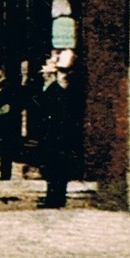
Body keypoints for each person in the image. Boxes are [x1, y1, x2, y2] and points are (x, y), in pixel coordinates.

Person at [33, 59, 83, 208]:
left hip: (55, 138)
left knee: (55, 169)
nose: (44, 77)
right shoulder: (53, 90)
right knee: (53, 169)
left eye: (47, 74)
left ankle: (55, 199)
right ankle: (53, 197)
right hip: (54, 137)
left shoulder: (55, 91)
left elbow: (55, 116)